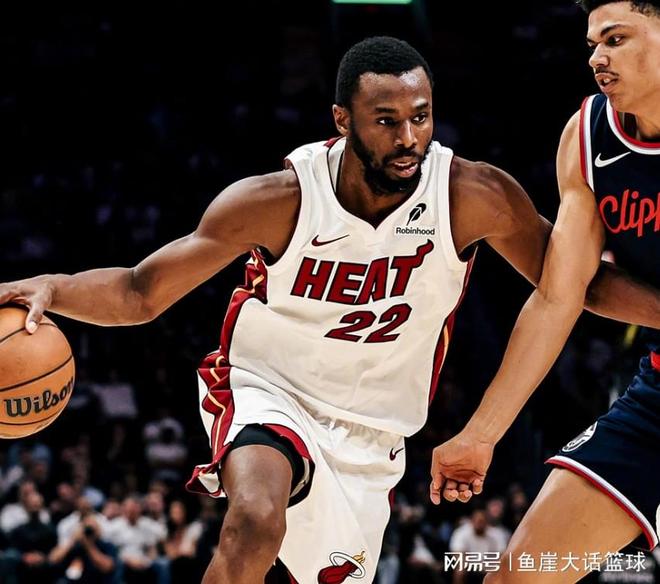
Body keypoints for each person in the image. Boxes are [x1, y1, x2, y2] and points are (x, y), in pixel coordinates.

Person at [1, 36, 659, 584]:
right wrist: (55, 286)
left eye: (421, 117)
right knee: (255, 518)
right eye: (386, 121)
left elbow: (576, 285)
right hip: (269, 389)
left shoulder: (472, 195)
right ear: (343, 120)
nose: (409, 138)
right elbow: (140, 293)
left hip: (373, 436)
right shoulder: (276, 200)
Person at [430, 2, 660, 582]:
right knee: (519, 574)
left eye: (616, 39)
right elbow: (562, 294)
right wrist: (480, 435)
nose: (597, 57)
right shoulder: (589, 136)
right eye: (592, 44)